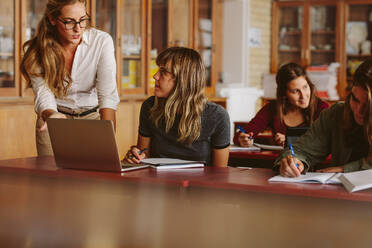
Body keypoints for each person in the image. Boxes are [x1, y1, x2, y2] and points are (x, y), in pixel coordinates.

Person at [20, 0, 119, 156]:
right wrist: (51, 115)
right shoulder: (36, 50)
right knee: (52, 178)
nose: (78, 28)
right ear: (53, 19)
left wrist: (108, 138)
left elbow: (107, 95)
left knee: (94, 178)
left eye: (82, 20)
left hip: (92, 119)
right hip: (54, 119)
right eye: (69, 22)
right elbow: (43, 93)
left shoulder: (101, 41)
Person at [124, 47, 230, 166]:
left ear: (183, 79)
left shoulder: (217, 116)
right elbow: (144, 156)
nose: (155, 76)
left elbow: (220, 173)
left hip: (198, 184)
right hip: (158, 183)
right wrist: (136, 156)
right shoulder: (149, 106)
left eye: (163, 72)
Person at [275, 58, 372, 177]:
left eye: (368, 106)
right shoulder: (335, 114)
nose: (359, 111)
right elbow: (299, 150)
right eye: (355, 100)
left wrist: (344, 169)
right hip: (340, 194)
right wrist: (291, 161)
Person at [234, 62, 329, 147]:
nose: (303, 96)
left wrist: (292, 141)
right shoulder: (272, 108)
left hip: (316, 165)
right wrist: (242, 138)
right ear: (284, 93)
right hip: (281, 164)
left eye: (305, 87)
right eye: (295, 91)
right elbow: (243, 133)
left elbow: (326, 141)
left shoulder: (322, 108)